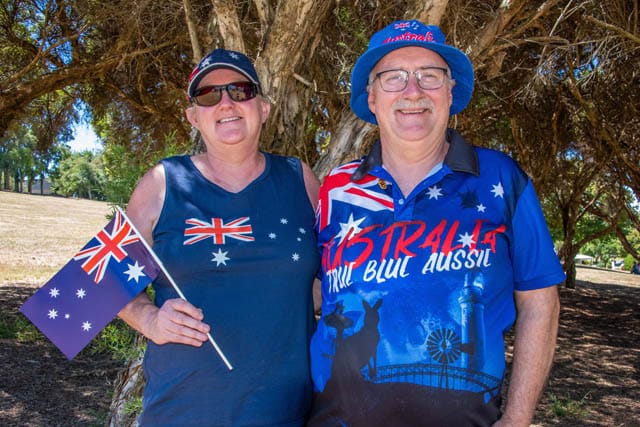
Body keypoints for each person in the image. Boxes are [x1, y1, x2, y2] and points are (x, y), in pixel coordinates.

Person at [307, 20, 564, 427]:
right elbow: (311, 291)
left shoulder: (501, 178)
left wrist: (517, 417)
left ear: (450, 91)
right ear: (371, 97)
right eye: (393, 78)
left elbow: (539, 301)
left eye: (430, 75)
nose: (413, 91)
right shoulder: (336, 188)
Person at [118, 48, 320, 426]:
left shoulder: (300, 180)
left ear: (263, 108)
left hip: (285, 414)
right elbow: (97, 282)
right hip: (180, 414)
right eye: (208, 95)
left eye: (240, 90)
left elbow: (330, 284)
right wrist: (149, 319)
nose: (226, 102)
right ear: (193, 117)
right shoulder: (162, 183)